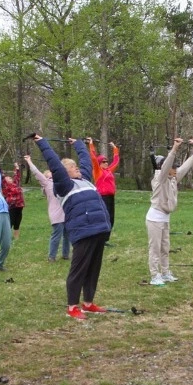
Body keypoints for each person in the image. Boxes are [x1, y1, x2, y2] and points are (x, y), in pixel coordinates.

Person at [33, 135, 111, 320]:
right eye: (72, 167)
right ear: (63, 172)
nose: (77, 168)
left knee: (93, 268)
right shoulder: (63, 185)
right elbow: (54, 162)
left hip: (99, 229)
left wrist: (78, 144)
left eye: (76, 167)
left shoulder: (84, 179)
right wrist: (42, 142)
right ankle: (72, 306)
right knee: (79, 269)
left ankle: (88, 303)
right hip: (83, 231)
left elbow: (86, 160)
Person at [146, 138, 193, 285]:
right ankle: (154, 275)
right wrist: (174, 149)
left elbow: (185, 167)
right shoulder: (160, 178)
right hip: (155, 218)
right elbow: (166, 166)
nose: (176, 169)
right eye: (173, 166)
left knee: (165, 248)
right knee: (155, 248)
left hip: (165, 218)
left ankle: (165, 272)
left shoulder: (173, 178)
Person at [24, 155, 70, 262]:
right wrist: (29, 161)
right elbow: (36, 172)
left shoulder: (62, 181)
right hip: (56, 214)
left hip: (66, 213)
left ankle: (66, 254)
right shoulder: (47, 183)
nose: (51, 173)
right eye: (49, 173)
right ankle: (51, 257)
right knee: (57, 236)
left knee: (67, 235)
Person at [87, 137, 120, 238]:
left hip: (111, 197)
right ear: (99, 163)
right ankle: (101, 237)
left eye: (106, 161)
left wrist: (115, 148)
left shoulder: (109, 170)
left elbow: (116, 161)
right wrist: (91, 144)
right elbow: (93, 158)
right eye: (103, 161)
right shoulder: (97, 171)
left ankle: (106, 238)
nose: (106, 163)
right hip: (102, 197)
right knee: (104, 217)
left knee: (111, 217)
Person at [1, 162, 25, 240]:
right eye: (7, 178)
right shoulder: (5, 186)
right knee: (10, 222)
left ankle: (16, 238)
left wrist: (17, 167)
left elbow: (17, 175)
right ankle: (6, 238)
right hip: (12, 207)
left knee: (17, 222)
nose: (10, 178)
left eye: (10, 177)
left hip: (19, 206)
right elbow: (2, 177)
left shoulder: (15, 183)